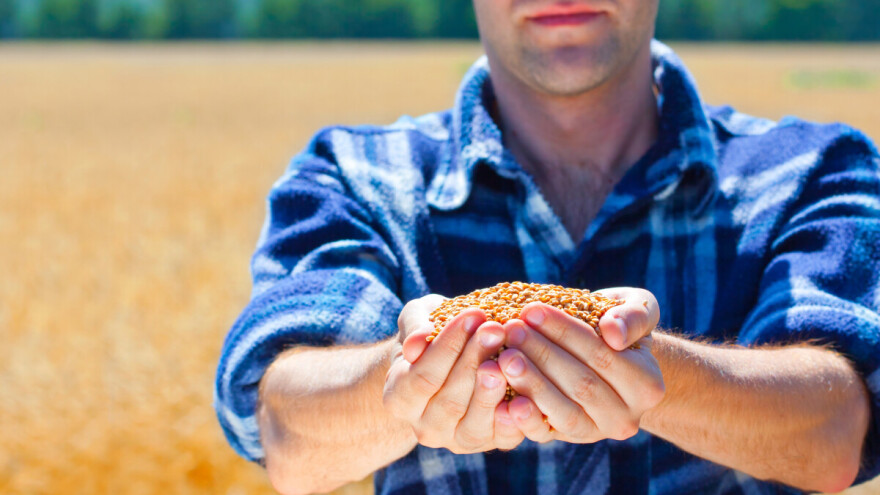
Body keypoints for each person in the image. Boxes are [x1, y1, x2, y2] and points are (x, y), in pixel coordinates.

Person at [214, 1, 880, 494]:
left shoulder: (812, 170)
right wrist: (405, 377)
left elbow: (839, 432)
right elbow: (286, 432)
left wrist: (658, 374)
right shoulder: (355, 175)